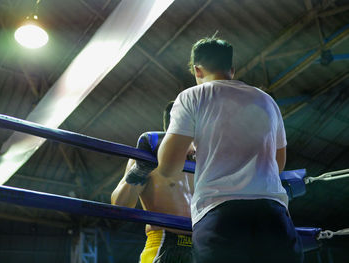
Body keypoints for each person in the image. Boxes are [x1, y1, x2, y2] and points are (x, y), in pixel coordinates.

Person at [152, 37, 304, 263]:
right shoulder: (266, 100)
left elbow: (168, 167)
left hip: (220, 214)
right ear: (232, 69)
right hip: (273, 215)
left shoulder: (192, 96)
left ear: (197, 70)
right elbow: (278, 163)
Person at [111, 101, 194, 263]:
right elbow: (119, 205)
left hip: (203, 245)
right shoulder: (149, 156)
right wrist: (140, 170)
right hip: (164, 243)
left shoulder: (204, 163)